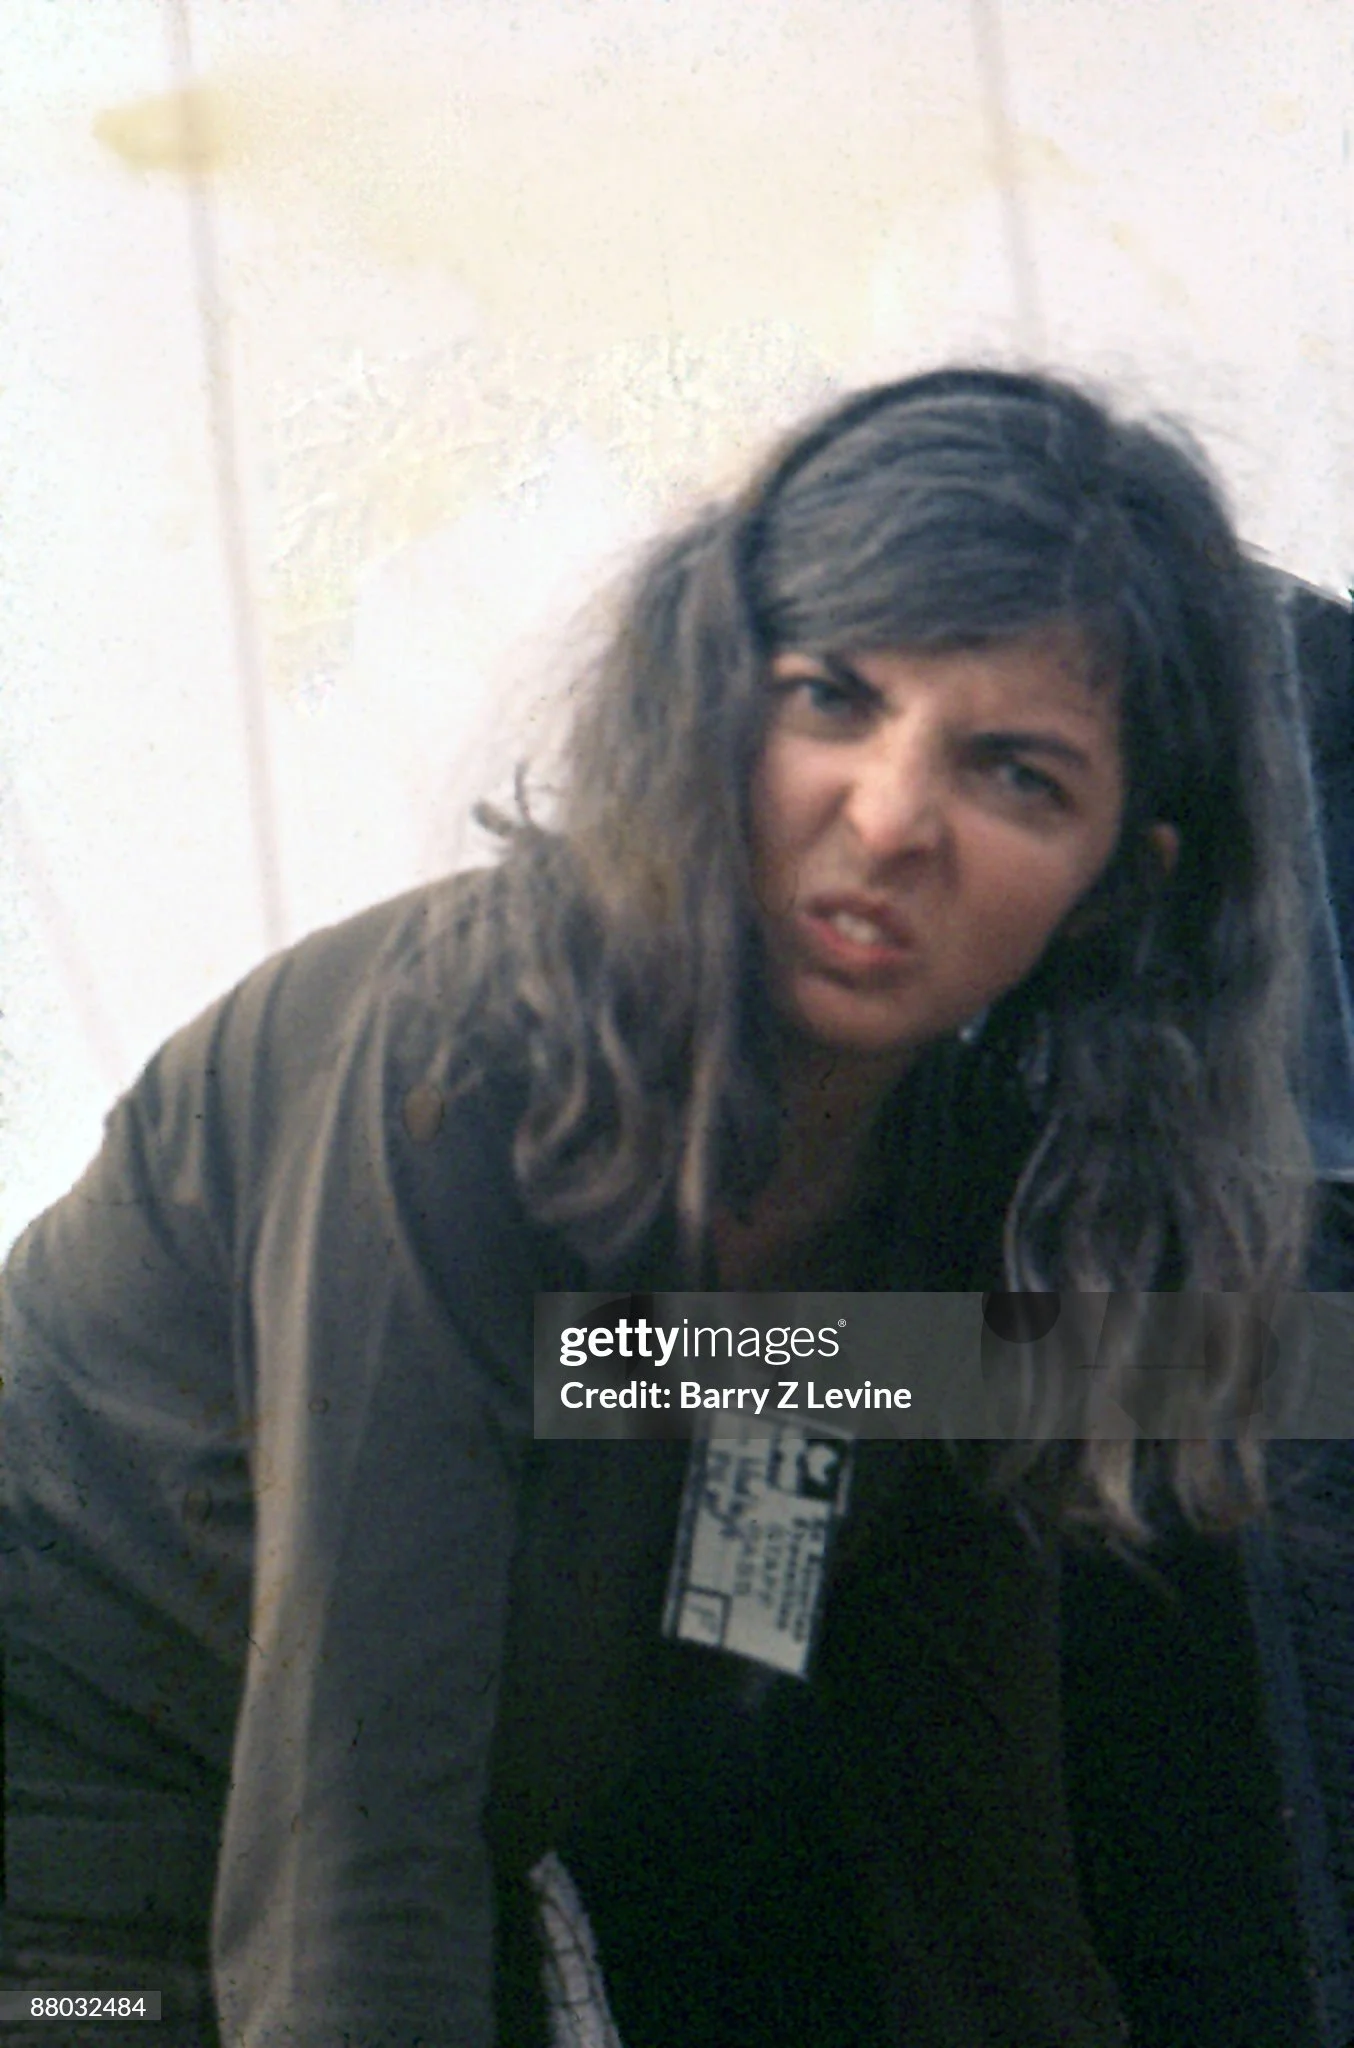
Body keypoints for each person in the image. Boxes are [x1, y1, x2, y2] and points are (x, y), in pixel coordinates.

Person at [0, 367, 1336, 2047]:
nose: (888, 819)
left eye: (1014, 774)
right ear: (713, 703)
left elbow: (959, 1826)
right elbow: (355, 1821)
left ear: (1114, 889)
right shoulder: (465, 1066)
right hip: (78, 1915)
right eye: (831, 699)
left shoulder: (968, 1200)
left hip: (416, 1897)